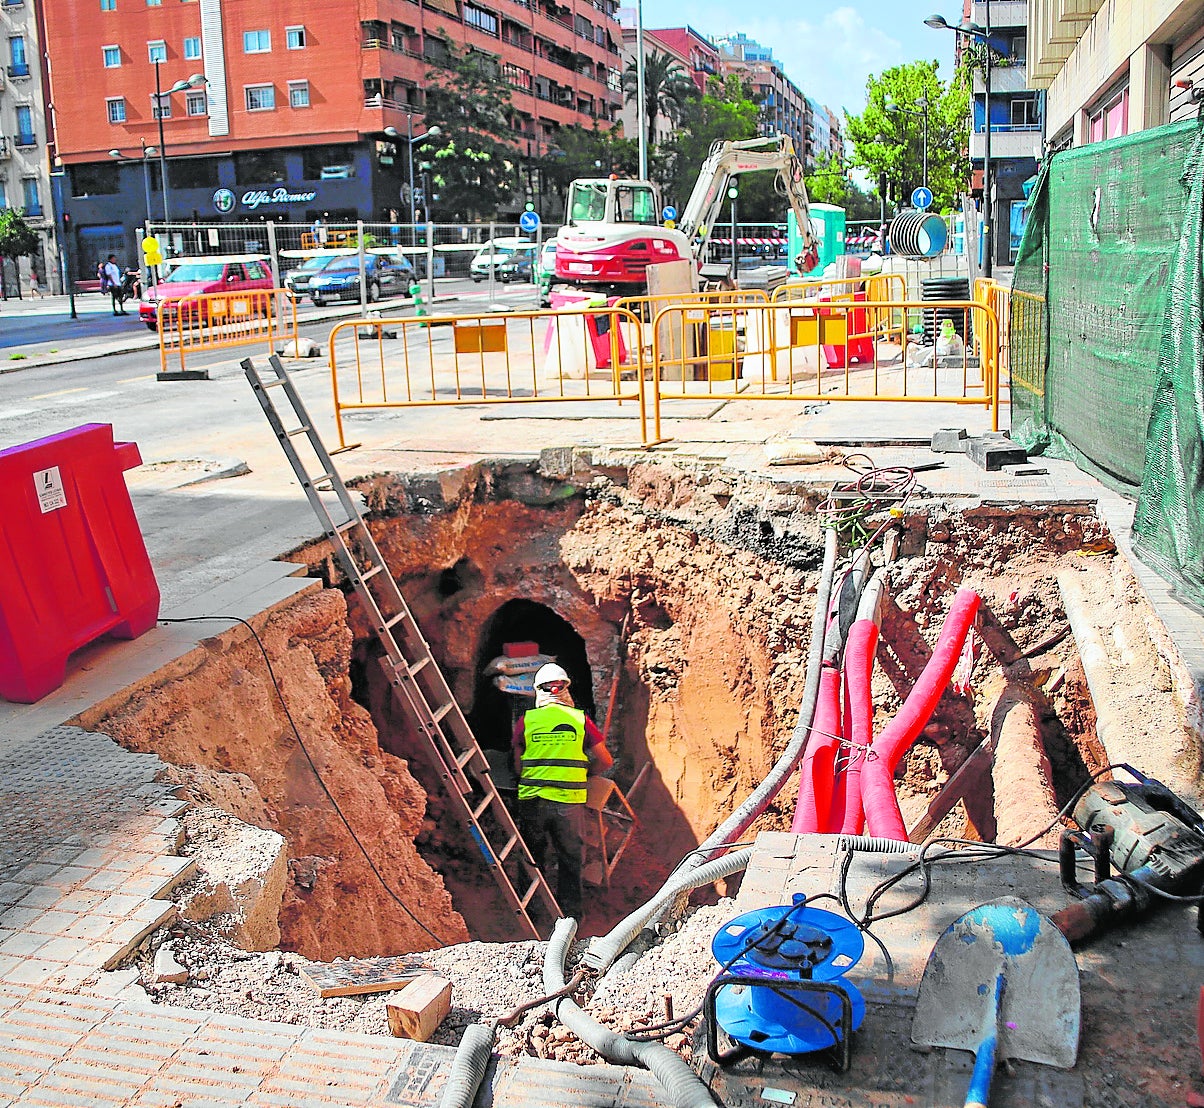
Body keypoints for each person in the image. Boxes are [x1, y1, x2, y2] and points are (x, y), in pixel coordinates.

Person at [511, 663, 613, 920]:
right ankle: (571, 917)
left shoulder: (528, 720)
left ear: (538, 691)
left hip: (533, 800)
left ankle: (531, 910)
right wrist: (584, 773)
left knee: (532, 856)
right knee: (570, 860)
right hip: (569, 801)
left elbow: (516, 764)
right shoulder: (580, 719)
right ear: (565, 689)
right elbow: (605, 760)